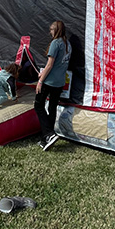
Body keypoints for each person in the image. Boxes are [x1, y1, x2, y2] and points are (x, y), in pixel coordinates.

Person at [35, 20, 72, 151]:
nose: (50, 32)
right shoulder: (68, 44)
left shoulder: (56, 43)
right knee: (52, 108)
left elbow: (50, 65)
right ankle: (46, 138)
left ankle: (49, 134)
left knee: (38, 105)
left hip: (49, 81)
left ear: (56, 30)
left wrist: (40, 81)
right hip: (60, 82)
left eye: (51, 29)